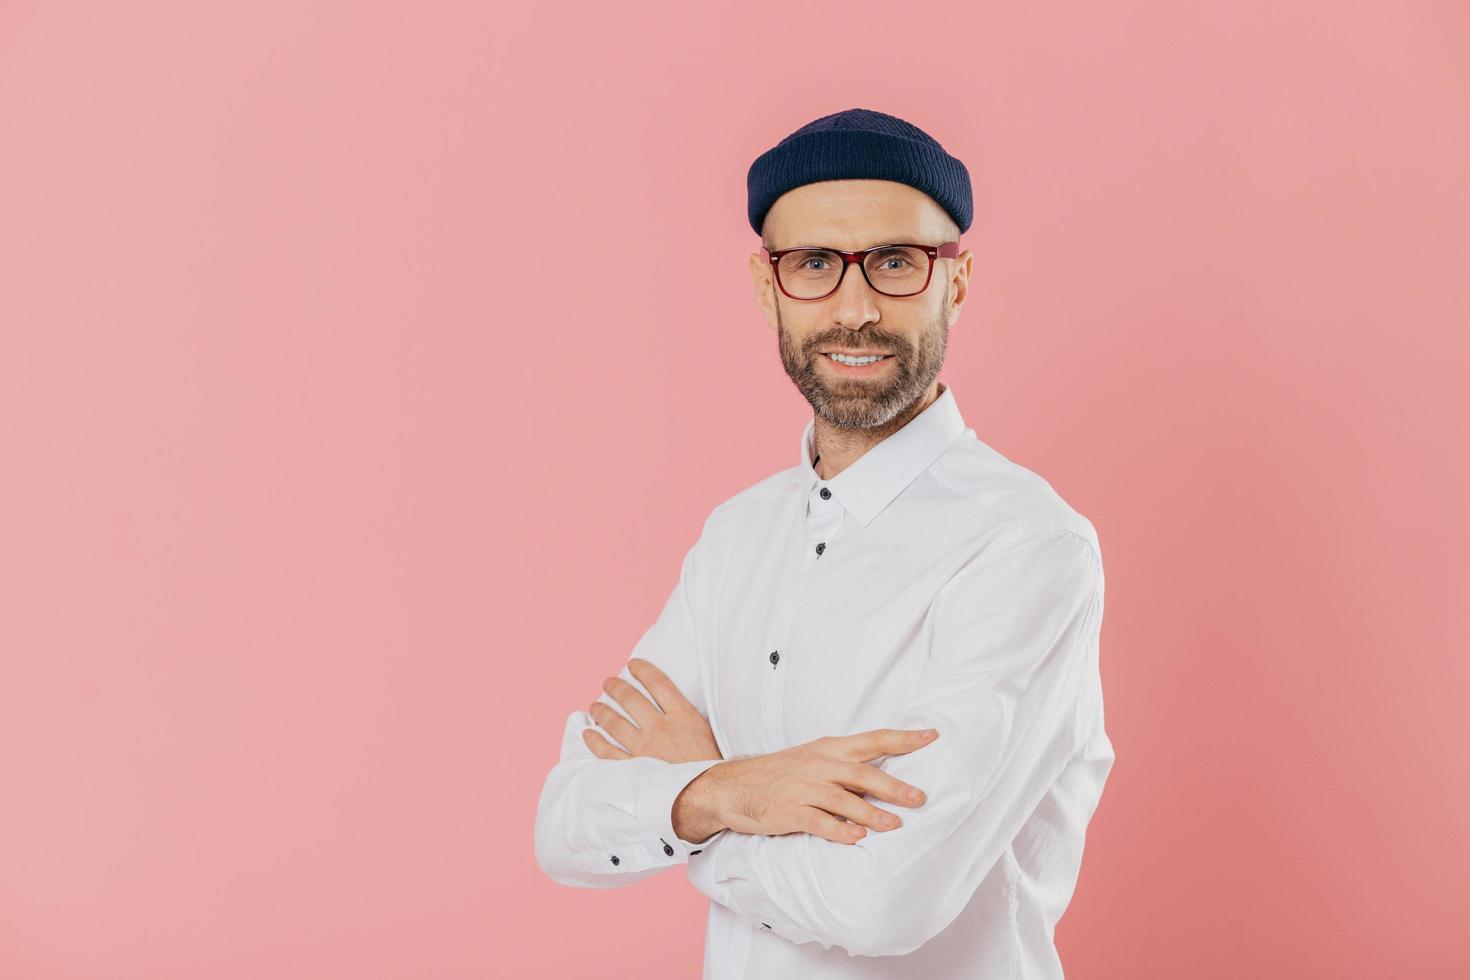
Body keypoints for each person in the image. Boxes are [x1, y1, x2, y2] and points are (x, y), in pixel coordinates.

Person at [533, 107, 1114, 979]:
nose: (854, 308)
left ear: (954, 283)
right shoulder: (737, 536)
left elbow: (883, 904)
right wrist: (738, 788)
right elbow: (567, 823)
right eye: (813, 264)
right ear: (769, 288)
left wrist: (694, 806)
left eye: (894, 262)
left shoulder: (1027, 546)